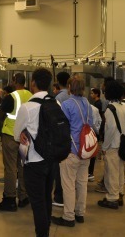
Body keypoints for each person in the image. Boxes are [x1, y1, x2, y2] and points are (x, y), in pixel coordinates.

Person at [14, 68, 55, 237]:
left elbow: (17, 134)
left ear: (33, 83)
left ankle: (42, 234)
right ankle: (46, 230)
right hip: (51, 160)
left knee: (37, 202)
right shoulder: (55, 103)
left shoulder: (27, 107)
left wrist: (23, 133)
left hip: (34, 161)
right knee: (46, 198)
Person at [51, 76, 93, 227]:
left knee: (68, 184)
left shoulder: (67, 104)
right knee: (82, 183)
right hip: (85, 149)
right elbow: (92, 124)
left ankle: (68, 217)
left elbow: (62, 127)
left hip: (71, 150)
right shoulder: (88, 104)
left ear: (69, 87)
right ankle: (80, 213)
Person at [0, 73, 32, 211]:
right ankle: (23, 197)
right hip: (26, 137)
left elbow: (0, 115)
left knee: (10, 168)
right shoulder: (30, 95)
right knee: (23, 166)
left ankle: (9, 199)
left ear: (15, 81)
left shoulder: (11, 97)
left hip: (11, 136)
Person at [98, 80, 125, 209]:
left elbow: (110, 130)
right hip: (122, 143)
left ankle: (112, 198)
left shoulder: (110, 109)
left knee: (111, 172)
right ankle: (120, 194)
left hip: (112, 145)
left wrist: (104, 147)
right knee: (120, 171)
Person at [51, 71, 70, 208]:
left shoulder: (59, 98)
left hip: (60, 137)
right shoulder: (73, 96)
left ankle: (59, 197)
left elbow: (55, 119)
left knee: (59, 168)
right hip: (72, 138)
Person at [88, 88, 103, 182]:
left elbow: (94, 123)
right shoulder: (95, 107)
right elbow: (99, 122)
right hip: (93, 135)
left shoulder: (96, 105)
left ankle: (88, 173)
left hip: (88, 135)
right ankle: (90, 173)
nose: (91, 95)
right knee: (92, 154)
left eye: (92, 93)